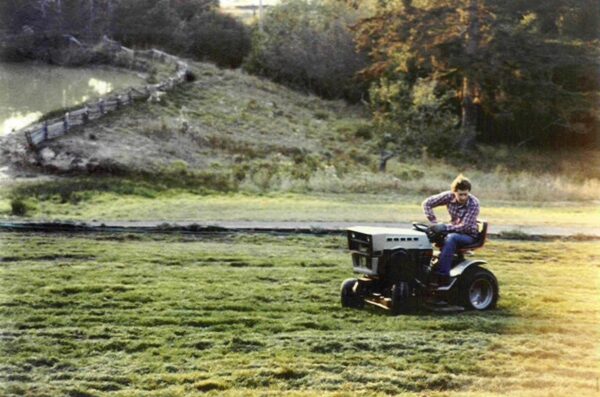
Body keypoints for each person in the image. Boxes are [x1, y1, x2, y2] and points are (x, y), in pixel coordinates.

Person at [421, 174, 480, 285]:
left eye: (465, 194)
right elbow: (426, 203)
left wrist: (444, 227)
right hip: (452, 230)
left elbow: (465, 226)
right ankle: (424, 269)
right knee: (423, 232)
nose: (463, 197)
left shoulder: (474, 203)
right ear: (454, 192)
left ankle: (442, 276)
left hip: (468, 235)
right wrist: (434, 222)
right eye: (460, 194)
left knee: (451, 238)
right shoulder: (448, 196)